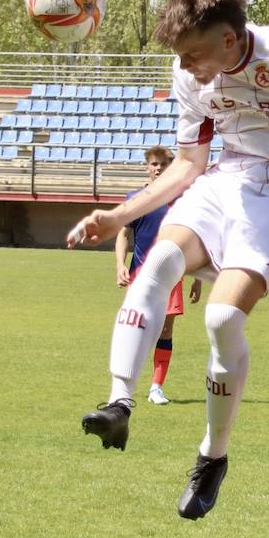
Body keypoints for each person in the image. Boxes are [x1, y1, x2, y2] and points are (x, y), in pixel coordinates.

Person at [67, 0, 269, 520]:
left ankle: (213, 455)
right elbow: (189, 165)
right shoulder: (188, 72)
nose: (186, 65)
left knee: (220, 320)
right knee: (160, 261)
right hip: (225, 175)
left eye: (193, 53)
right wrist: (117, 215)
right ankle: (120, 400)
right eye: (181, 55)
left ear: (230, 42)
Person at [114, 145, 202, 405]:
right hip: (140, 274)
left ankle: (156, 387)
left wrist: (197, 278)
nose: (158, 169)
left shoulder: (183, 201)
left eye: (163, 165)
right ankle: (124, 389)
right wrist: (120, 264)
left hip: (173, 276)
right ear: (147, 167)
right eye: (154, 164)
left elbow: (196, 238)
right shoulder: (136, 198)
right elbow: (123, 233)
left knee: (165, 330)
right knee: (137, 328)